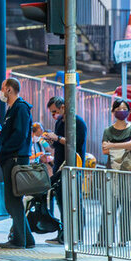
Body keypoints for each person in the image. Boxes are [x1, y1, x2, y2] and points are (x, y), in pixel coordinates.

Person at [0, 78, 35, 248]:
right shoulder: (12, 109)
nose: (1, 92)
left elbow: (19, 134)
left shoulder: (20, 108)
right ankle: (27, 239)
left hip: (15, 158)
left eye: (3, 88)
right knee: (13, 200)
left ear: (9, 90)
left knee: (13, 201)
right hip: (11, 158)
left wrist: (3, 152)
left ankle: (19, 240)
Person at [42, 95, 87, 244]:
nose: (54, 115)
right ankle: (64, 234)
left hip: (74, 167)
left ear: (63, 107)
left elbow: (74, 143)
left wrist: (57, 138)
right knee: (61, 201)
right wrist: (52, 141)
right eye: (51, 113)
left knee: (74, 201)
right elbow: (59, 144)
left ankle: (77, 235)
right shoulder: (59, 123)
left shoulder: (77, 122)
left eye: (55, 111)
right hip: (59, 167)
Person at [102, 98, 131, 244]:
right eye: (118, 109)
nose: (121, 112)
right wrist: (125, 145)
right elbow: (104, 150)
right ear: (113, 112)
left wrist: (112, 145)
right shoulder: (108, 130)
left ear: (129, 112)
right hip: (112, 171)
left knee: (128, 204)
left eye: (124, 109)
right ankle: (104, 238)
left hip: (128, 171)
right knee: (109, 204)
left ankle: (125, 239)